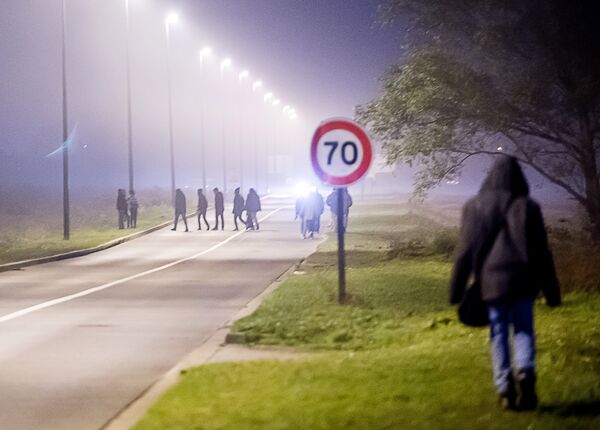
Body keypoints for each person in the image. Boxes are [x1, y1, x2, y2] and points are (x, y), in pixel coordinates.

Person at [449, 156, 561, 411]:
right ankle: (525, 371)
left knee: (498, 331)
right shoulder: (528, 206)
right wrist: (552, 291)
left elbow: (464, 252)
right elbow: (542, 252)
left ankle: (505, 388)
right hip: (523, 280)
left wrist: (456, 290)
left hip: (491, 282)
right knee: (523, 328)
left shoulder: (474, 207)